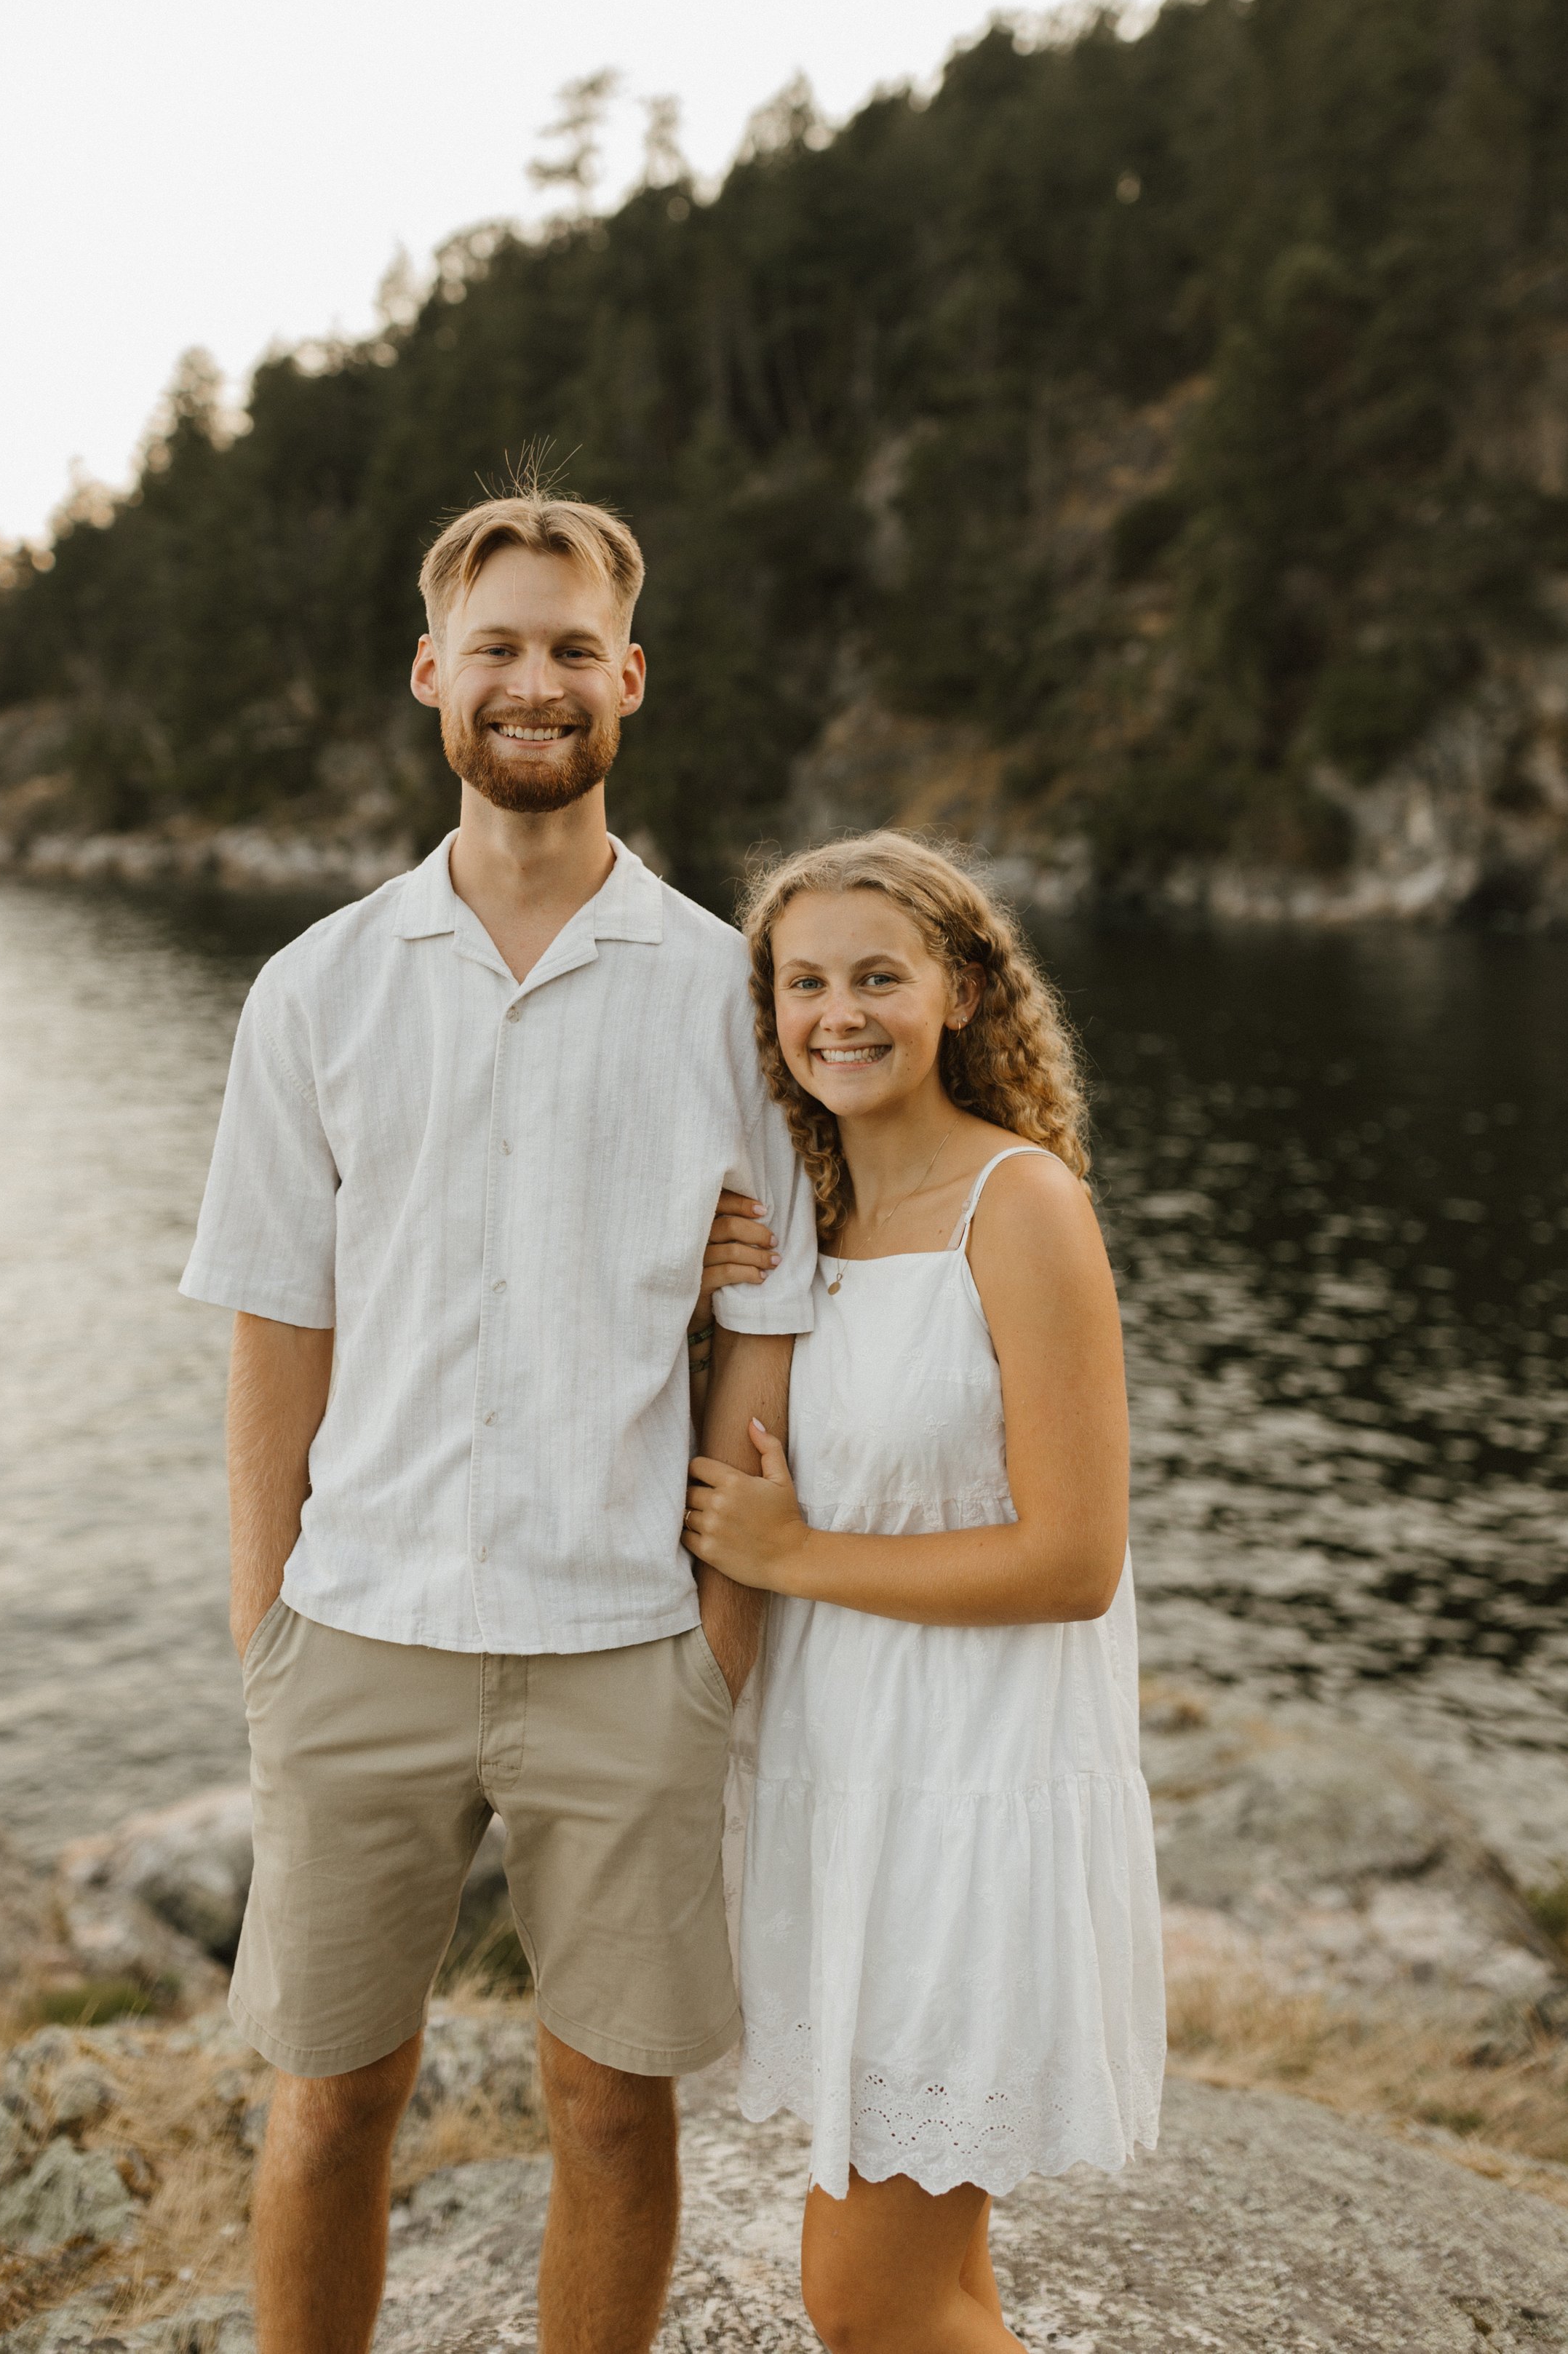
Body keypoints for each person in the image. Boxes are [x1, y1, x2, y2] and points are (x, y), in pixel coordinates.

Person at [178, 486, 816, 2354]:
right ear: (428, 676)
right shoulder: (316, 991)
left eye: (566, 651)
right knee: (324, 2106)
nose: (529, 685)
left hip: (625, 1646)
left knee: (612, 2113)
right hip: (356, 1630)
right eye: (495, 649)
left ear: (627, 679)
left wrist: (715, 1639)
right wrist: (264, 1629)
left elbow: (766, 1330)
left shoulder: (726, 993)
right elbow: (274, 1331)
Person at [682, 832, 1166, 2354]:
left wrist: (798, 1558)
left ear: (960, 992)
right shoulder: (797, 1230)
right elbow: (717, 1494)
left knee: (864, 2297)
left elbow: (1072, 1560)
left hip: (971, 1794)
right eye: (803, 982)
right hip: (843, 1796)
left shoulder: (1015, 1207)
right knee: (940, 2285)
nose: (838, 1012)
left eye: (876, 977)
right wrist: (689, 1295)